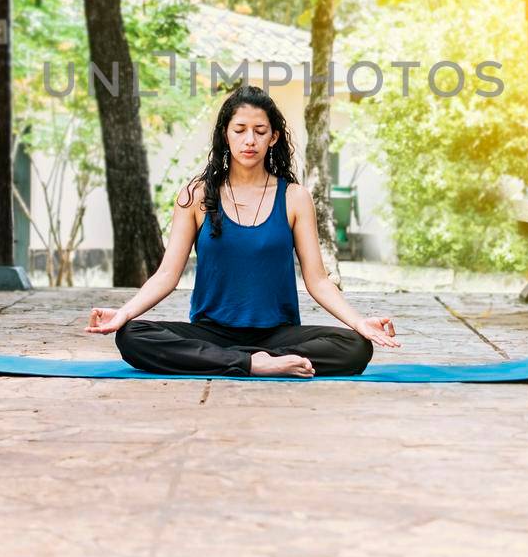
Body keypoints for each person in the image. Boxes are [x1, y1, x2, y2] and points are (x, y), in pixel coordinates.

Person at [85, 85, 400, 377]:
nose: (250, 139)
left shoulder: (295, 198)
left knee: (357, 347)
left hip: (278, 335)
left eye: (259, 131)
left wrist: (359, 322)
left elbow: (316, 279)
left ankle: (241, 359)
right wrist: (124, 314)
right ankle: (252, 363)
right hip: (212, 332)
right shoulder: (197, 197)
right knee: (132, 336)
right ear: (226, 134)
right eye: (240, 130)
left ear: (273, 137)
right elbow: (167, 274)